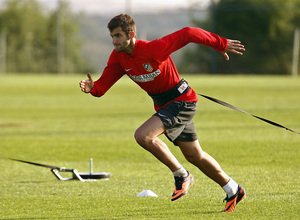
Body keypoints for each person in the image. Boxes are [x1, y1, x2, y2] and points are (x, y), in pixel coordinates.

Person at [79, 13, 246, 212]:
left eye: (118, 36)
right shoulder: (118, 58)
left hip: (182, 101)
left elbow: (189, 33)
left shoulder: (152, 49)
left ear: (130, 34)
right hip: (166, 107)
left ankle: (181, 175)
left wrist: (220, 43)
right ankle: (233, 189)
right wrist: (93, 88)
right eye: (112, 37)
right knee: (194, 155)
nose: (114, 41)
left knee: (143, 136)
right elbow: (103, 86)